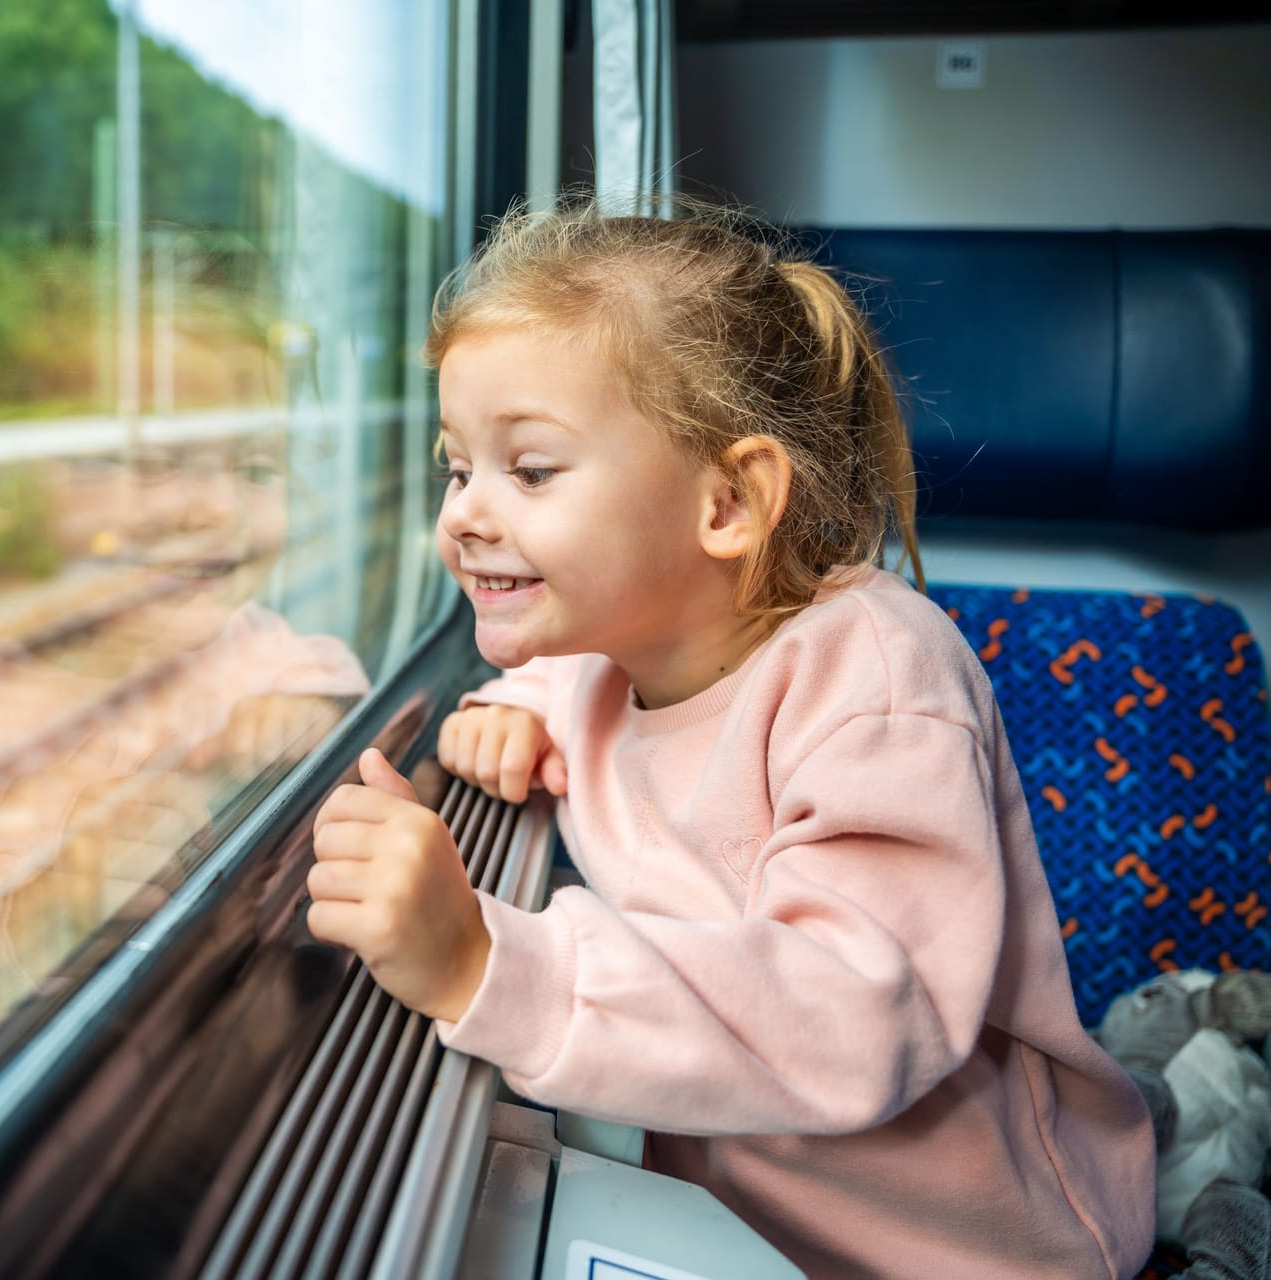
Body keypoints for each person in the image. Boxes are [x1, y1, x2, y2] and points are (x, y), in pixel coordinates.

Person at [305, 200, 1156, 1278]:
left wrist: (489, 961)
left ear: (729, 501)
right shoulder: (608, 648)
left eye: (530, 470)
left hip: (964, 1245)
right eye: (455, 465)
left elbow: (854, 1012)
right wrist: (496, 714)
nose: (465, 512)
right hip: (745, 1219)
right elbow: (541, 684)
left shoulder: (878, 674)